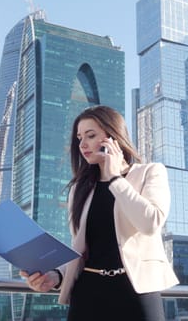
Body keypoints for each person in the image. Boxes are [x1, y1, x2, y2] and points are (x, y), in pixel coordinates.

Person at [20, 105, 178, 320]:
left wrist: (115, 178)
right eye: (79, 138)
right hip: (87, 294)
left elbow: (150, 223)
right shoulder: (79, 188)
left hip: (137, 293)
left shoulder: (150, 172)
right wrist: (55, 275)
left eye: (91, 135)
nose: (82, 144)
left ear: (113, 136)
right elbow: (81, 249)